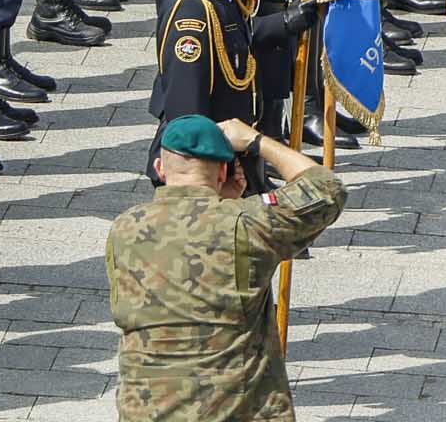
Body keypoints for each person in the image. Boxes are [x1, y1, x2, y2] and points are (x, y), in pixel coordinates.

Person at [108, 115, 345, 418]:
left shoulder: (124, 229)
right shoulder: (249, 223)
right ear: (223, 170)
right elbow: (326, 188)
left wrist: (222, 203)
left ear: (159, 168)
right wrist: (255, 141)